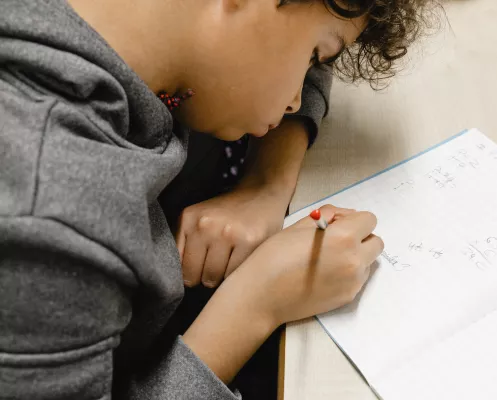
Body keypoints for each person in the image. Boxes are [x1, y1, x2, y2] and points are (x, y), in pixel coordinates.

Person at [0, 0, 433, 399]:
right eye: (313, 54)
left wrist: (266, 184)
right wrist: (257, 303)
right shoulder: (48, 217)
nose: (296, 100)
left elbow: (311, 20)